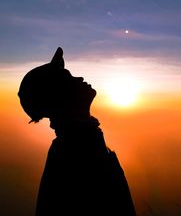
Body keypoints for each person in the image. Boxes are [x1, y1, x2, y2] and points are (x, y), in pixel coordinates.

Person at [18, 47, 137, 216]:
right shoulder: (75, 154)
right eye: (67, 78)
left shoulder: (78, 143)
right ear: (58, 96)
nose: (79, 77)